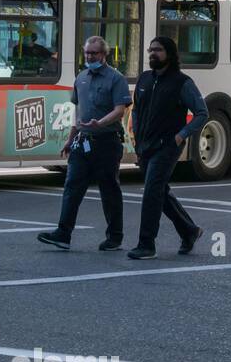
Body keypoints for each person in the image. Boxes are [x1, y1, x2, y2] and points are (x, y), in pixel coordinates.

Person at [38, 36, 132, 252]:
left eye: (95, 53)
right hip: (83, 141)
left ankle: (114, 237)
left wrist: (100, 123)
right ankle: (63, 234)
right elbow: (78, 113)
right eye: (87, 53)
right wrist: (70, 139)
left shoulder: (115, 79)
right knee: (72, 186)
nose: (90, 57)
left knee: (109, 190)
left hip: (107, 142)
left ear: (104, 55)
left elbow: (120, 110)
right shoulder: (81, 77)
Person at [127, 37, 208, 260]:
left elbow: (202, 113)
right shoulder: (144, 79)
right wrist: (135, 136)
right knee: (160, 192)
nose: (153, 53)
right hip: (145, 145)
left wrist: (181, 136)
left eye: (158, 50)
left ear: (169, 54)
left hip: (167, 147)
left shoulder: (182, 82)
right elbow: (136, 110)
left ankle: (146, 244)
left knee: (152, 191)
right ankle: (189, 231)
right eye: (151, 49)